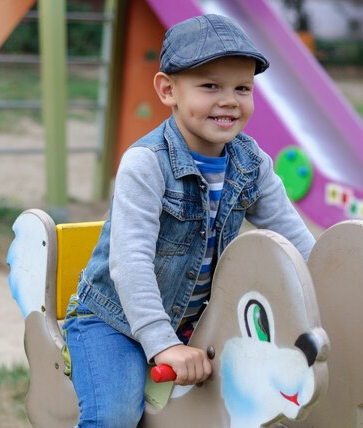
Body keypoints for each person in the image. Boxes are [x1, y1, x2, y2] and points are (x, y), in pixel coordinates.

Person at [62, 13, 316, 427]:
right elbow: (131, 264)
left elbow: (295, 243)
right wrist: (162, 344)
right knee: (115, 416)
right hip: (116, 323)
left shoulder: (251, 164)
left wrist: (326, 298)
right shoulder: (146, 165)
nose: (230, 100)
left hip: (195, 325)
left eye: (242, 88)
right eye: (210, 86)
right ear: (168, 90)